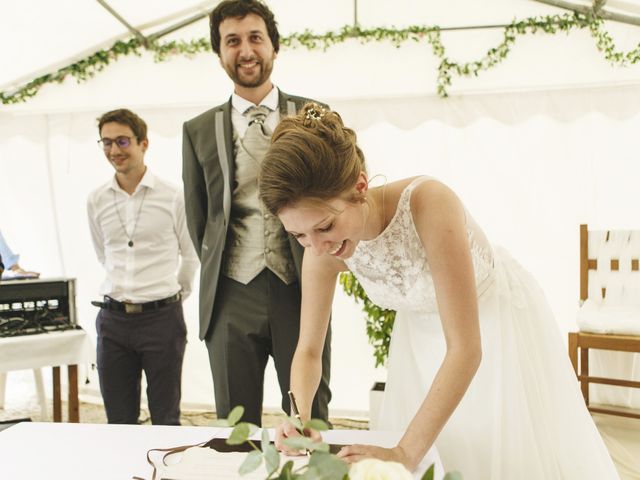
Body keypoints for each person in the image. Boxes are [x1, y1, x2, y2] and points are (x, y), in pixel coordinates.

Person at [262, 104, 620, 479]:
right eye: (298, 235)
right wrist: (299, 417)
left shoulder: (428, 203)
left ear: (360, 187)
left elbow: (466, 348)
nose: (316, 246)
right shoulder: (321, 254)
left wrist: (403, 451)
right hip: (418, 349)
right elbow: (308, 350)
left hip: (492, 330)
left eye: (325, 227)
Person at [181, 0, 331, 426]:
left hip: (299, 288)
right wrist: (225, 267)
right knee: (235, 425)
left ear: (273, 47)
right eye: (232, 41)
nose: (245, 50)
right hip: (230, 294)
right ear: (220, 54)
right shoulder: (197, 130)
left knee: (308, 418)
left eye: (254, 38)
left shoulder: (312, 114)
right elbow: (199, 219)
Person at [87, 108, 198, 425]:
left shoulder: (173, 196)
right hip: (113, 321)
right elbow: (102, 254)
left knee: (166, 417)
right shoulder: (96, 200)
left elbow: (190, 255)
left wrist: (169, 295)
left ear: (143, 143)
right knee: (119, 420)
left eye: (122, 141)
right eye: (106, 142)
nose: (113, 151)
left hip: (162, 320)